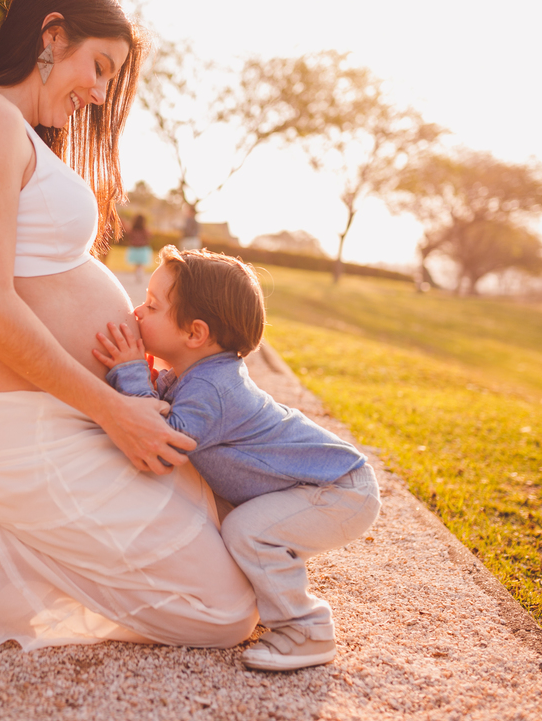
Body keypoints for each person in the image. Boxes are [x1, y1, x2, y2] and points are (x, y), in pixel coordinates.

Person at [0, 0, 258, 651]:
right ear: (52, 34)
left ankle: (3, 570)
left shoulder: (14, 129)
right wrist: (113, 410)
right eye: (97, 67)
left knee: (238, 547)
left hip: (72, 422)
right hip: (33, 437)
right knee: (226, 614)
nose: (99, 94)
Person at [92, 246, 382, 671]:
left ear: (195, 334)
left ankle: (307, 628)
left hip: (339, 489)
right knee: (232, 522)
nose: (138, 310)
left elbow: (160, 445)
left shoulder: (212, 388)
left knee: (247, 530)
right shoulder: (198, 375)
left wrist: (133, 372)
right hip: (324, 483)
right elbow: (162, 408)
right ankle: (274, 601)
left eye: (152, 305)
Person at [124, 213, 153, 279]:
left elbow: (128, 235)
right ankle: (140, 273)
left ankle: (137, 273)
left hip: (134, 248)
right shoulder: (144, 230)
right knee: (140, 264)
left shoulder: (132, 229)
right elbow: (150, 236)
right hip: (142, 248)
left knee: (136, 264)